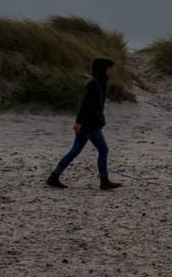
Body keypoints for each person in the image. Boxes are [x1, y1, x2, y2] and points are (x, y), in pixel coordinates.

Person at [46, 57, 121, 190]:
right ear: (103, 69)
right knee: (103, 150)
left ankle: (54, 176)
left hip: (90, 123)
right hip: (90, 124)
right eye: (109, 68)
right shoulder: (93, 84)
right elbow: (84, 104)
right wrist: (79, 122)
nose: (110, 71)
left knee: (74, 151)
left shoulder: (100, 83)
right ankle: (104, 181)